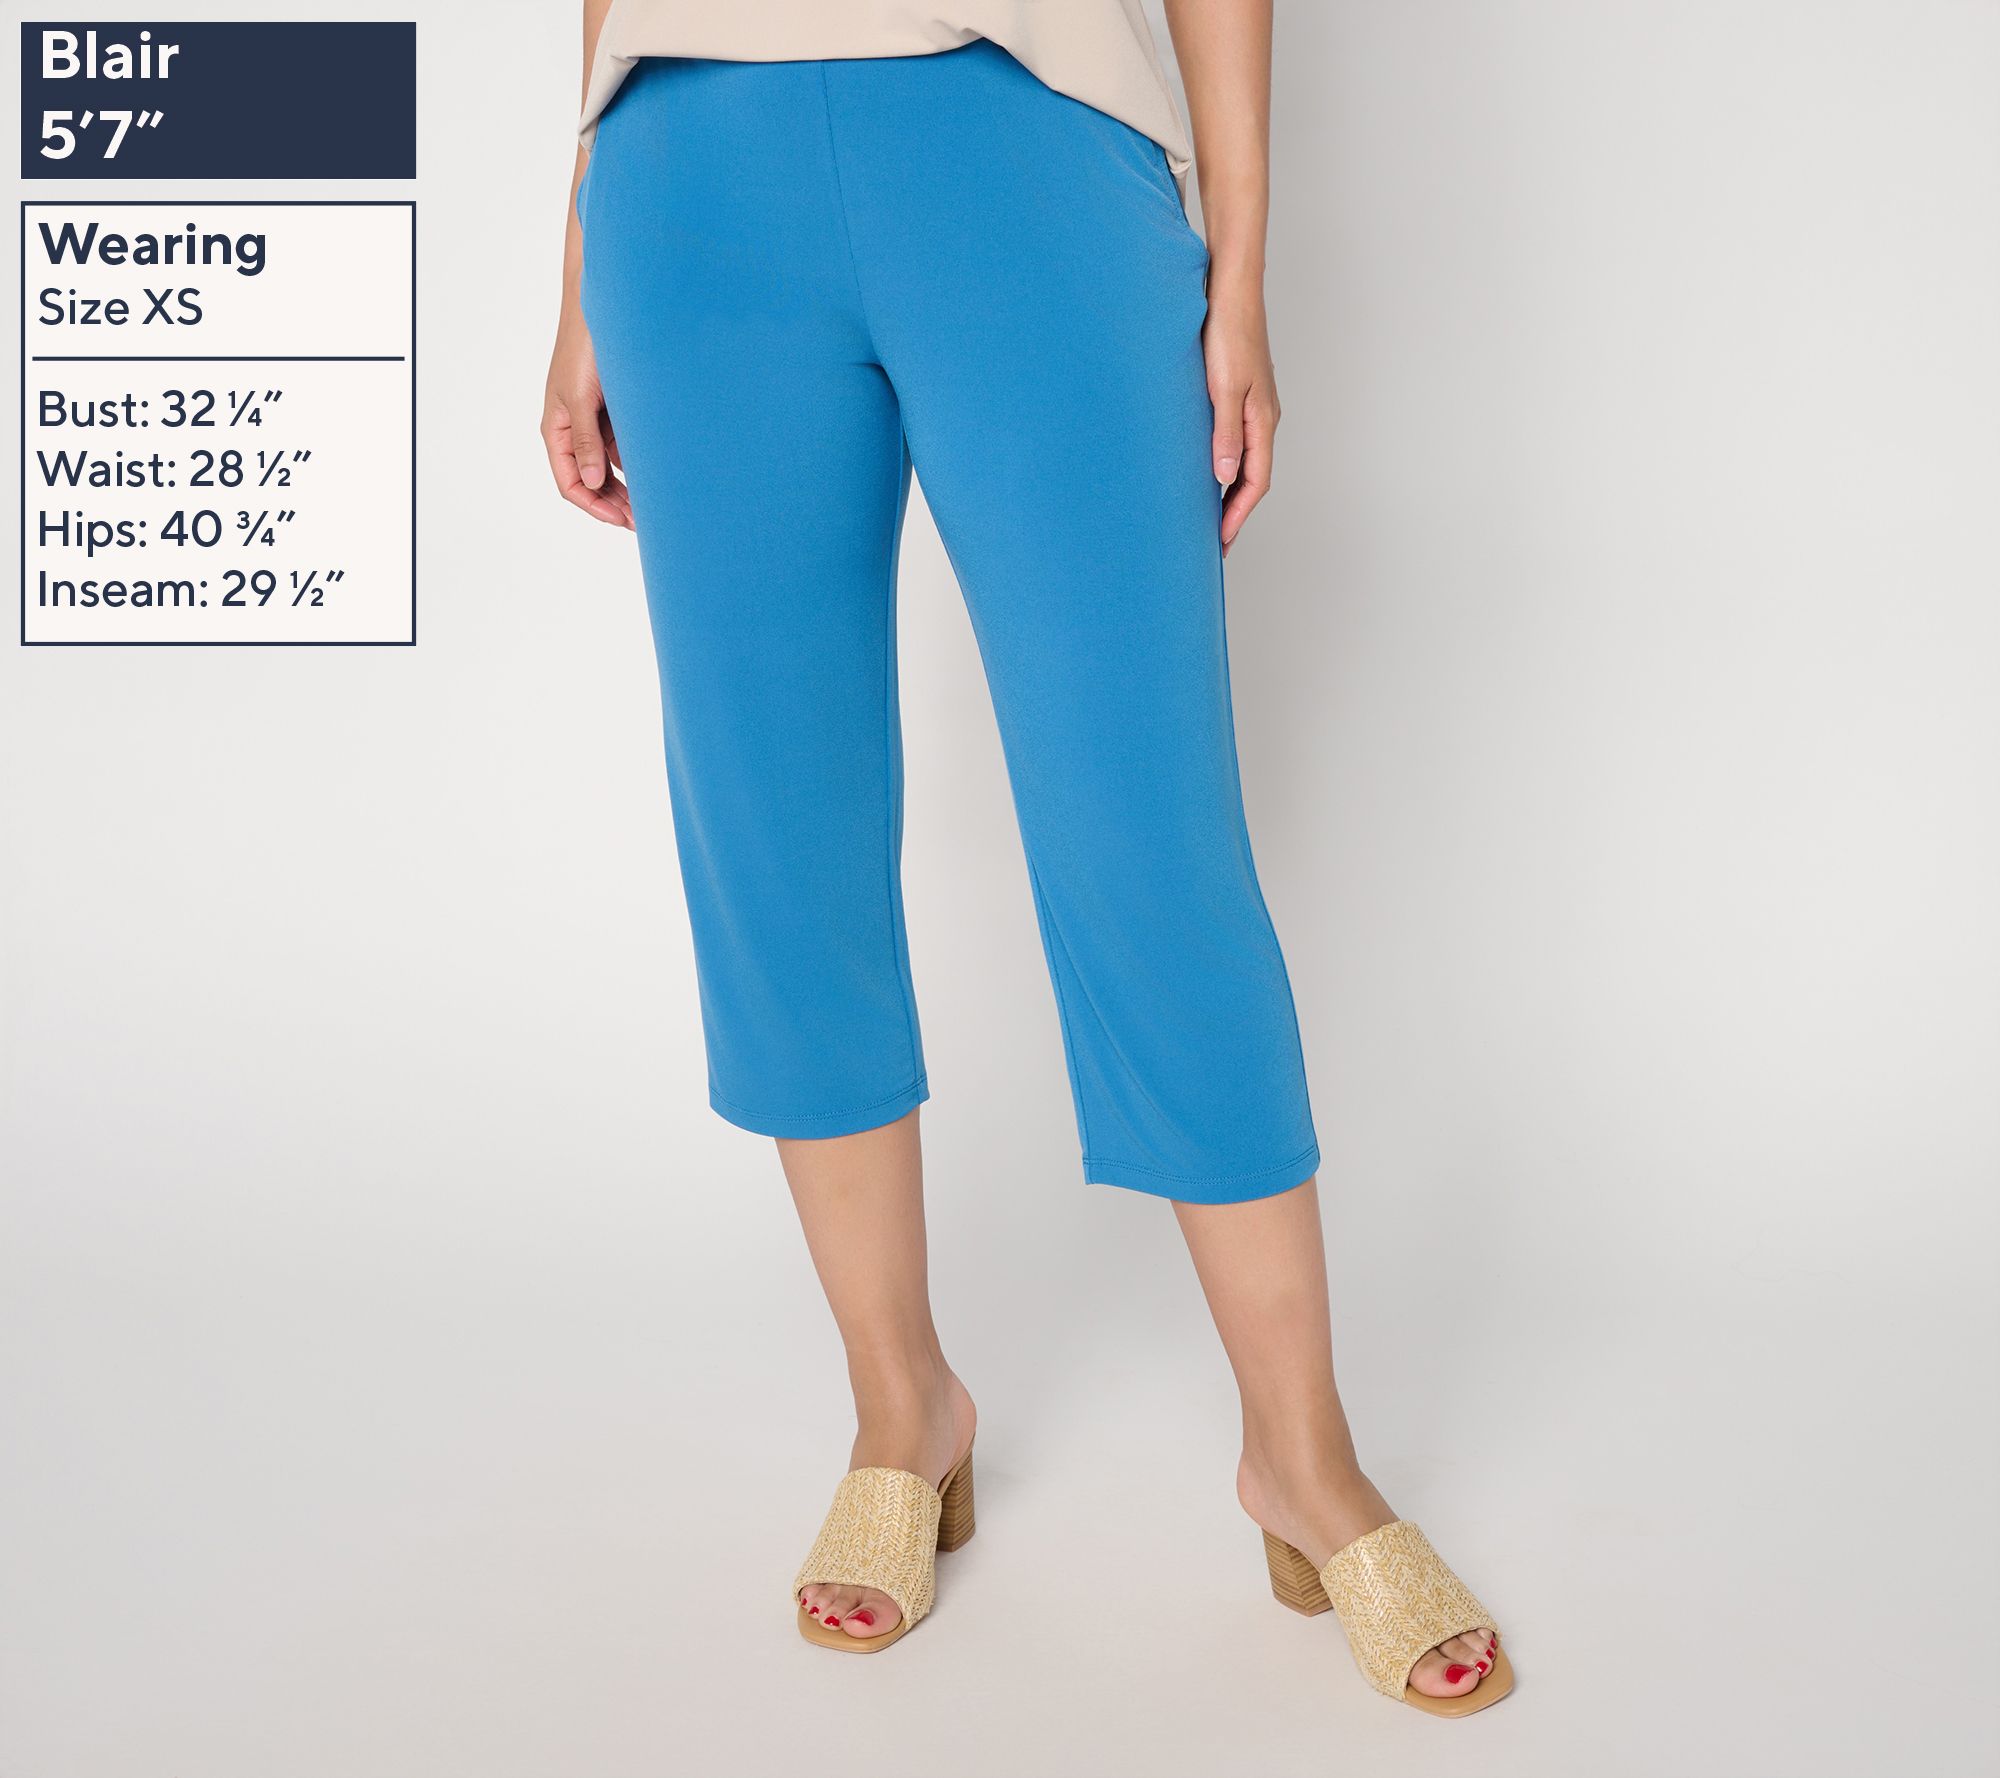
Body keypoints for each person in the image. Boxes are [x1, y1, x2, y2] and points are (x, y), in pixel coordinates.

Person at [543, 0, 1510, 1716]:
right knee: (775, 830)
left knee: (1149, 830)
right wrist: (574, 281)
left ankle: (1304, 1456)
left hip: (1028, 144)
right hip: (684, 173)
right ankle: (900, 1410)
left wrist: (1241, 270)